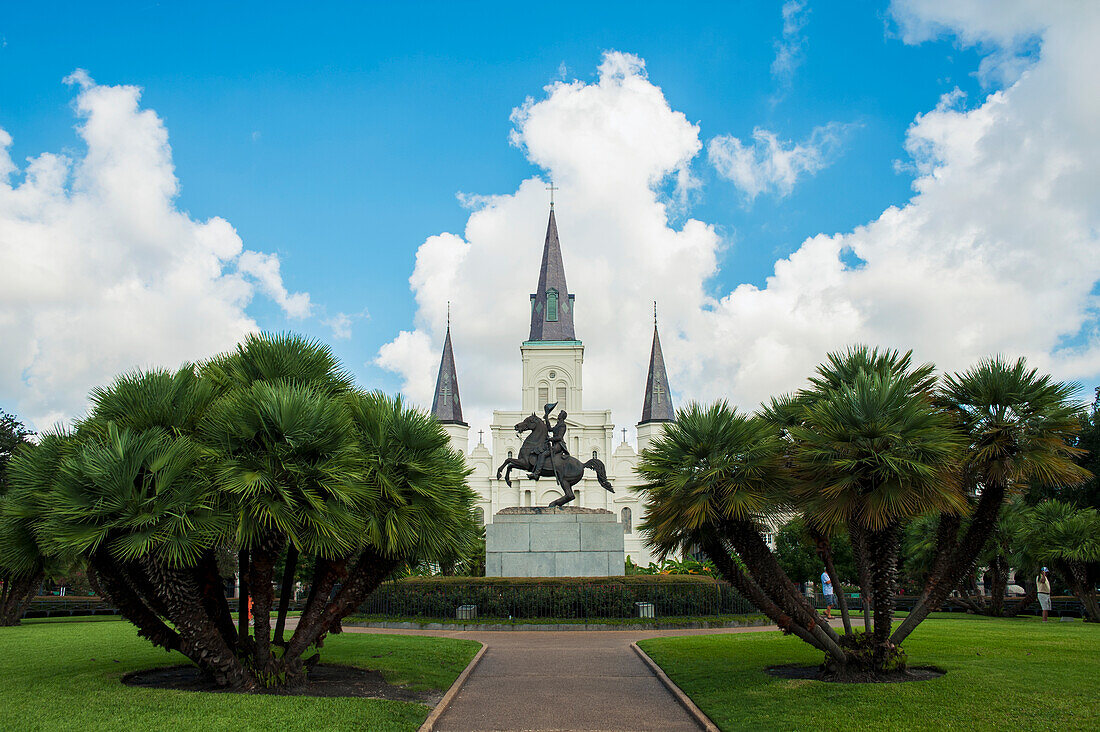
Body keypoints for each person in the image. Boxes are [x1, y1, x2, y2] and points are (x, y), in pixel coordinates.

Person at [528, 404, 569, 480]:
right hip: (554, 444)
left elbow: (559, 437)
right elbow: (550, 429)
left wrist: (550, 439)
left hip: (559, 445)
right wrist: (546, 418)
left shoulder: (563, 425)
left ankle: (536, 473)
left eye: (560, 414)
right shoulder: (558, 424)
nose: (558, 415)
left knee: (543, 454)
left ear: (562, 416)